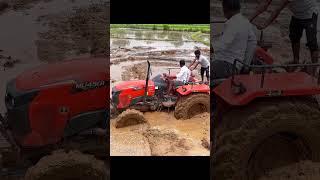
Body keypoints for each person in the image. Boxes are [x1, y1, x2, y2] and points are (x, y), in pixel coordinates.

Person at [250, 0, 319, 74]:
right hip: (296, 14)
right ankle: (296, 61)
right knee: (294, 37)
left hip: (310, 13)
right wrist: (249, 19)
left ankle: (314, 69)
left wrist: (265, 24)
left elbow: (277, 10)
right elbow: (265, 3)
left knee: (312, 42)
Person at [211, 0, 257, 79]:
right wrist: (245, 66)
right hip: (236, 65)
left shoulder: (233, 23)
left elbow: (221, 45)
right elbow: (252, 43)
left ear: (226, 9)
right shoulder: (245, 22)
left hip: (226, 65)